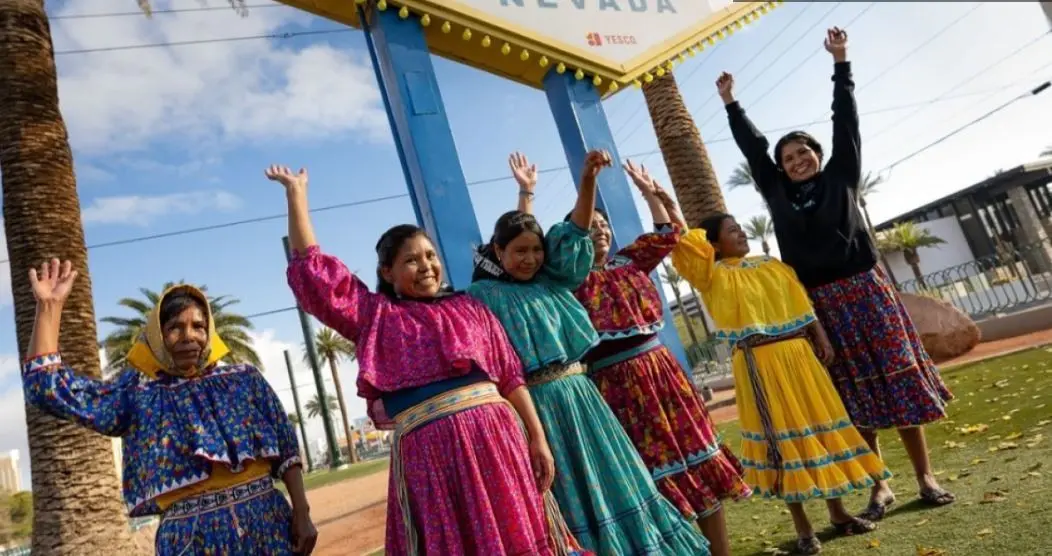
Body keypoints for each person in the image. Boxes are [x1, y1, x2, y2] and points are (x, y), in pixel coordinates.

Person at [271, 165, 586, 556]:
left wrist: (538, 440)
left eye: (431, 256)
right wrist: (296, 194)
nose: (427, 267)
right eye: (412, 261)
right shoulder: (375, 316)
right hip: (430, 460)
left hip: (496, 443)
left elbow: (509, 377)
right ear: (387, 272)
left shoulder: (471, 308)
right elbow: (316, 277)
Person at [717, 26, 954, 521]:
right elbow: (754, 150)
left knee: (897, 380)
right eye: (788, 158)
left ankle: (925, 476)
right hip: (822, 305)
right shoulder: (776, 193)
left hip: (868, 293)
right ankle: (877, 484)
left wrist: (841, 62)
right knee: (849, 395)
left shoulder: (841, 175)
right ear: (780, 169)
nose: (797, 161)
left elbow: (845, 121)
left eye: (804, 153)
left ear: (818, 156)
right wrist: (731, 105)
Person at [468, 151, 710, 555]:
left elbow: (575, 230)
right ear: (497, 252)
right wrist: (525, 195)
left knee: (618, 478)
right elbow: (518, 234)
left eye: (536, 251)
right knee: (568, 492)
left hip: (583, 395)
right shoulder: (483, 297)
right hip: (537, 407)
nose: (530, 259)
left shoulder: (554, 279)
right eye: (519, 252)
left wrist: (586, 181)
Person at [21, 261, 316, 555]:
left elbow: (287, 449)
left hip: (268, 526)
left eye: (198, 326)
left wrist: (301, 512)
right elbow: (46, 389)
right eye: (175, 327)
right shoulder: (138, 395)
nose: (189, 336)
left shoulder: (243, 380)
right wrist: (50, 307)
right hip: (191, 542)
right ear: (157, 335)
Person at [658, 188, 890, 555]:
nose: (741, 233)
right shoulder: (712, 275)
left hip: (799, 355)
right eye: (732, 230)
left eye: (740, 227)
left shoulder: (774, 266)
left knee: (818, 429)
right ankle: (803, 529)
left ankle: (839, 513)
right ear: (715, 245)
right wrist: (670, 205)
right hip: (757, 362)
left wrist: (820, 336)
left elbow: (802, 301)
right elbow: (688, 245)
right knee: (780, 440)